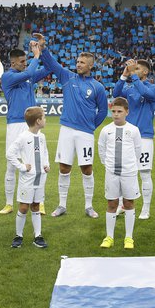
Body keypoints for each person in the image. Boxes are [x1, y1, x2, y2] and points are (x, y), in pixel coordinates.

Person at [34, 35, 108, 219]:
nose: (79, 64)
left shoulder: (97, 87)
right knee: (64, 168)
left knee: (87, 169)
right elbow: (52, 64)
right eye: (77, 61)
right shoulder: (67, 77)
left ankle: (89, 206)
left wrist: (90, 126)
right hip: (66, 130)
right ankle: (62, 205)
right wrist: (43, 47)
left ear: (90, 66)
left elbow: (103, 111)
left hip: (86, 134)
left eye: (82, 62)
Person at [0, 44, 51, 215]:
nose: (25, 63)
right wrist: (36, 57)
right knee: (11, 165)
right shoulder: (7, 77)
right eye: (22, 61)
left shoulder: (27, 76)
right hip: (15, 123)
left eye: (26, 61)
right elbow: (29, 72)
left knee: (39, 163)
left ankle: (40, 202)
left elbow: (48, 68)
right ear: (13, 63)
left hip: (32, 124)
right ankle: (8, 203)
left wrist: (42, 50)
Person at [112, 59, 155, 220]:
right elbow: (115, 94)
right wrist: (124, 76)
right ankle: (121, 205)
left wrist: (133, 75)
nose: (133, 69)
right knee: (122, 172)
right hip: (126, 136)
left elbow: (146, 93)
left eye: (137, 68)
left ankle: (145, 208)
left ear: (145, 72)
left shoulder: (153, 88)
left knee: (144, 173)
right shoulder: (129, 87)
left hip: (145, 136)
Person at [98, 97, 142, 250]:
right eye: (113, 112)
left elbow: (138, 151)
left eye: (119, 111)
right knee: (111, 203)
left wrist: (129, 166)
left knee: (129, 203)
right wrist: (108, 165)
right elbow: (101, 150)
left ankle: (128, 237)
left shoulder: (133, 130)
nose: (116, 114)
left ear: (127, 112)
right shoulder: (106, 130)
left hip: (129, 172)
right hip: (111, 173)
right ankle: (109, 236)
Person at [6, 106, 50, 248]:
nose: (45, 119)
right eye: (43, 117)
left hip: (40, 178)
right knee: (24, 207)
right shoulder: (23, 137)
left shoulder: (42, 136)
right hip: (28, 179)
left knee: (36, 206)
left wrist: (46, 164)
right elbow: (10, 154)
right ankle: (18, 235)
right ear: (38, 121)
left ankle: (38, 236)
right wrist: (22, 167)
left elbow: (45, 152)